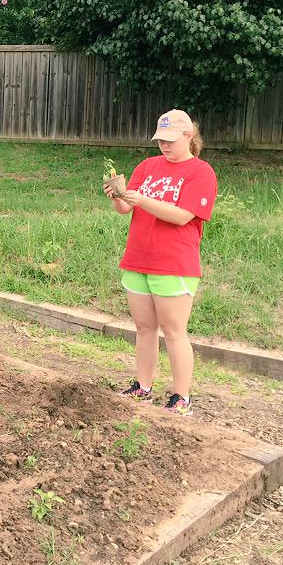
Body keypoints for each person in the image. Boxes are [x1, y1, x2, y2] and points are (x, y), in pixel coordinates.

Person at [103, 109, 217, 417]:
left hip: (174, 262)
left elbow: (181, 216)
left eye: (170, 140)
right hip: (139, 258)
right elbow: (124, 210)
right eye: (160, 140)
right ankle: (143, 386)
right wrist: (118, 195)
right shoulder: (147, 166)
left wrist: (140, 199)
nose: (164, 146)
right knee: (144, 328)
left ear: (188, 136)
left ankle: (181, 397)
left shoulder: (200, 172)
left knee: (174, 330)